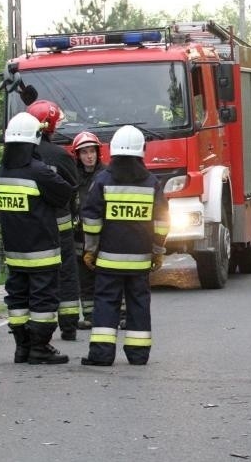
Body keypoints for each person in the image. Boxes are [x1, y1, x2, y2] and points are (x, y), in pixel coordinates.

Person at [80, 125, 168, 366]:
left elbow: (91, 219)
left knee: (106, 303)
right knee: (138, 303)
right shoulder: (151, 183)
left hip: (108, 260)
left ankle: (101, 355)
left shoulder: (102, 181)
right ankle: (138, 355)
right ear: (142, 152)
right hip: (140, 261)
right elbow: (162, 222)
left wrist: (91, 249)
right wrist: (158, 251)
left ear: (114, 151)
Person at [0, 112, 74, 364]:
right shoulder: (39, 171)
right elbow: (65, 194)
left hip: (14, 253)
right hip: (41, 251)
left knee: (17, 298)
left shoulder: (2, 171)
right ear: (34, 140)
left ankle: (22, 347)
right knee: (44, 299)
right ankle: (40, 348)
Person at [27, 100, 81, 341]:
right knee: (66, 273)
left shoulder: (20, 157)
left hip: (32, 228)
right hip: (61, 225)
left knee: (36, 276)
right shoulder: (61, 155)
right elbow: (73, 189)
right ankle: (68, 325)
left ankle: (34, 325)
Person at [71, 131, 105, 329]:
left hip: (104, 236)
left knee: (109, 276)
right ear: (78, 155)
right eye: (84, 152)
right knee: (85, 278)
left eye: (92, 151)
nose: (89, 156)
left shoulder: (106, 175)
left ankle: (121, 314)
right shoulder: (73, 178)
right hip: (80, 237)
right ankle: (91, 316)